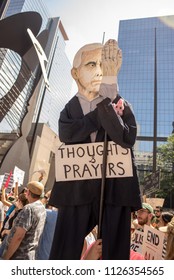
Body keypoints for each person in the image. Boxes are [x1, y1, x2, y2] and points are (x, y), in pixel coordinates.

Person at [49, 39, 141, 260]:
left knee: (114, 254)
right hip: (75, 191)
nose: (99, 70)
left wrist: (110, 96)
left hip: (114, 191)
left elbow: (126, 138)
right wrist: (104, 108)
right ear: (75, 73)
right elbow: (68, 134)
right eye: (91, 64)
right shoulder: (69, 110)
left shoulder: (121, 103)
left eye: (103, 64)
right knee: (64, 251)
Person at [1, 181, 46, 260]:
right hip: (29, 254)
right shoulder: (41, 208)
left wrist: (6, 257)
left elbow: (19, 236)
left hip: (18, 256)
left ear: (28, 192)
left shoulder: (29, 209)